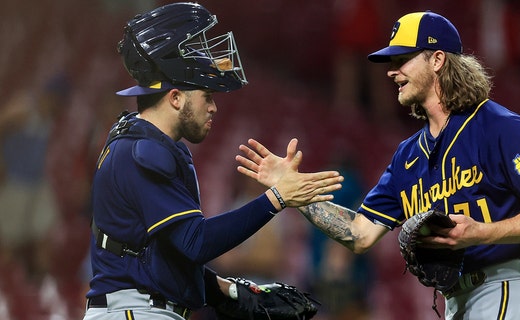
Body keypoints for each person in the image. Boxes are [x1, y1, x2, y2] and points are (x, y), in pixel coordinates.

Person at [236, 10, 520, 320]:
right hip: (455, 302)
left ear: (438, 60)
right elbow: (360, 234)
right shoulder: (407, 156)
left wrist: (482, 232)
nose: (392, 72)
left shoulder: (498, 127)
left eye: (403, 59)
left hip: (503, 290)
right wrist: (295, 195)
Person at [83, 3, 343, 320]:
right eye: (207, 96)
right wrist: (276, 198)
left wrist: (230, 291)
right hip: (137, 311)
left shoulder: (140, 144)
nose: (214, 108)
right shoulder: (143, 152)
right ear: (175, 97)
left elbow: (168, 253)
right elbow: (196, 242)